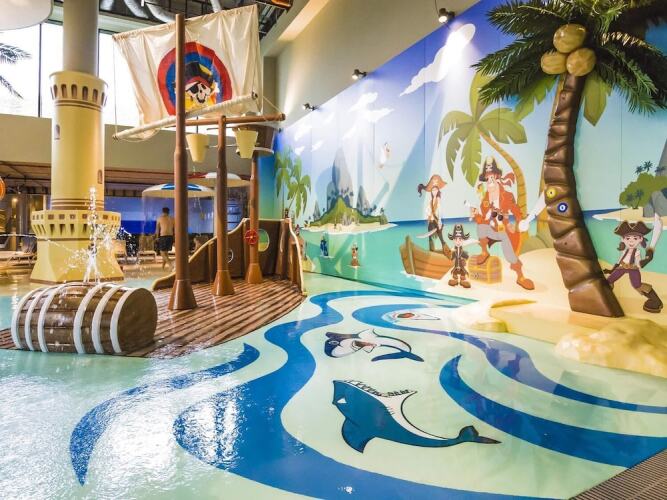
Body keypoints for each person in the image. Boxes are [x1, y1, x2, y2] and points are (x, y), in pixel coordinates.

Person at [471, 157, 534, 290]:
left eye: (492, 178)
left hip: (504, 231)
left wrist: (520, 222)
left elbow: (516, 211)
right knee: (481, 227)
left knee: (510, 255)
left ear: (497, 178)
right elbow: (483, 218)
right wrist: (476, 215)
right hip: (491, 230)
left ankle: (520, 277)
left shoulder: (507, 196)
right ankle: (484, 252)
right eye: (487, 179)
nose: (490, 182)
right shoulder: (485, 198)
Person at [604, 220, 663, 313]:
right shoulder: (624, 251)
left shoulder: (637, 252)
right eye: (627, 238)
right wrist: (611, 271)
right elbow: (619, 262)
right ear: (623, 239)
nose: (631, 241)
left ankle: (656, 301)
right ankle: (605, 297)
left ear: (640, 239)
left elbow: (639, 263)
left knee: (637, 285)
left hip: (633, 269)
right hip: (622, 267)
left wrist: (647, 259)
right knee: (609, 280)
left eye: (635, 238)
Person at [417, 174, 452, 258]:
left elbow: (440, 209)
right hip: (431, 222)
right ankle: (431, 252)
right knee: (430, 238)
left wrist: (440, 220)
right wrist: (429, 214)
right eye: (433, 190)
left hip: (436, 222)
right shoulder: (431, 200)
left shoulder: (438, 199)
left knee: (441, 238)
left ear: (438, 190)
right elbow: (427, 209)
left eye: (435, 190)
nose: (434, 191)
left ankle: (447, 252)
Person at [155, 206, 175, 271]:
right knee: (166, 253)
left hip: (163, 236)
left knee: (162, 252)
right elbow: (175, 229)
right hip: (170, 236)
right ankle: (163, 267)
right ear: (168, 212)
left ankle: (170, 265)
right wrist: (174, 237)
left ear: (162, 211)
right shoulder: (172, 219)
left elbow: (157, 229)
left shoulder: (159, 219)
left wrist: (157, 237)